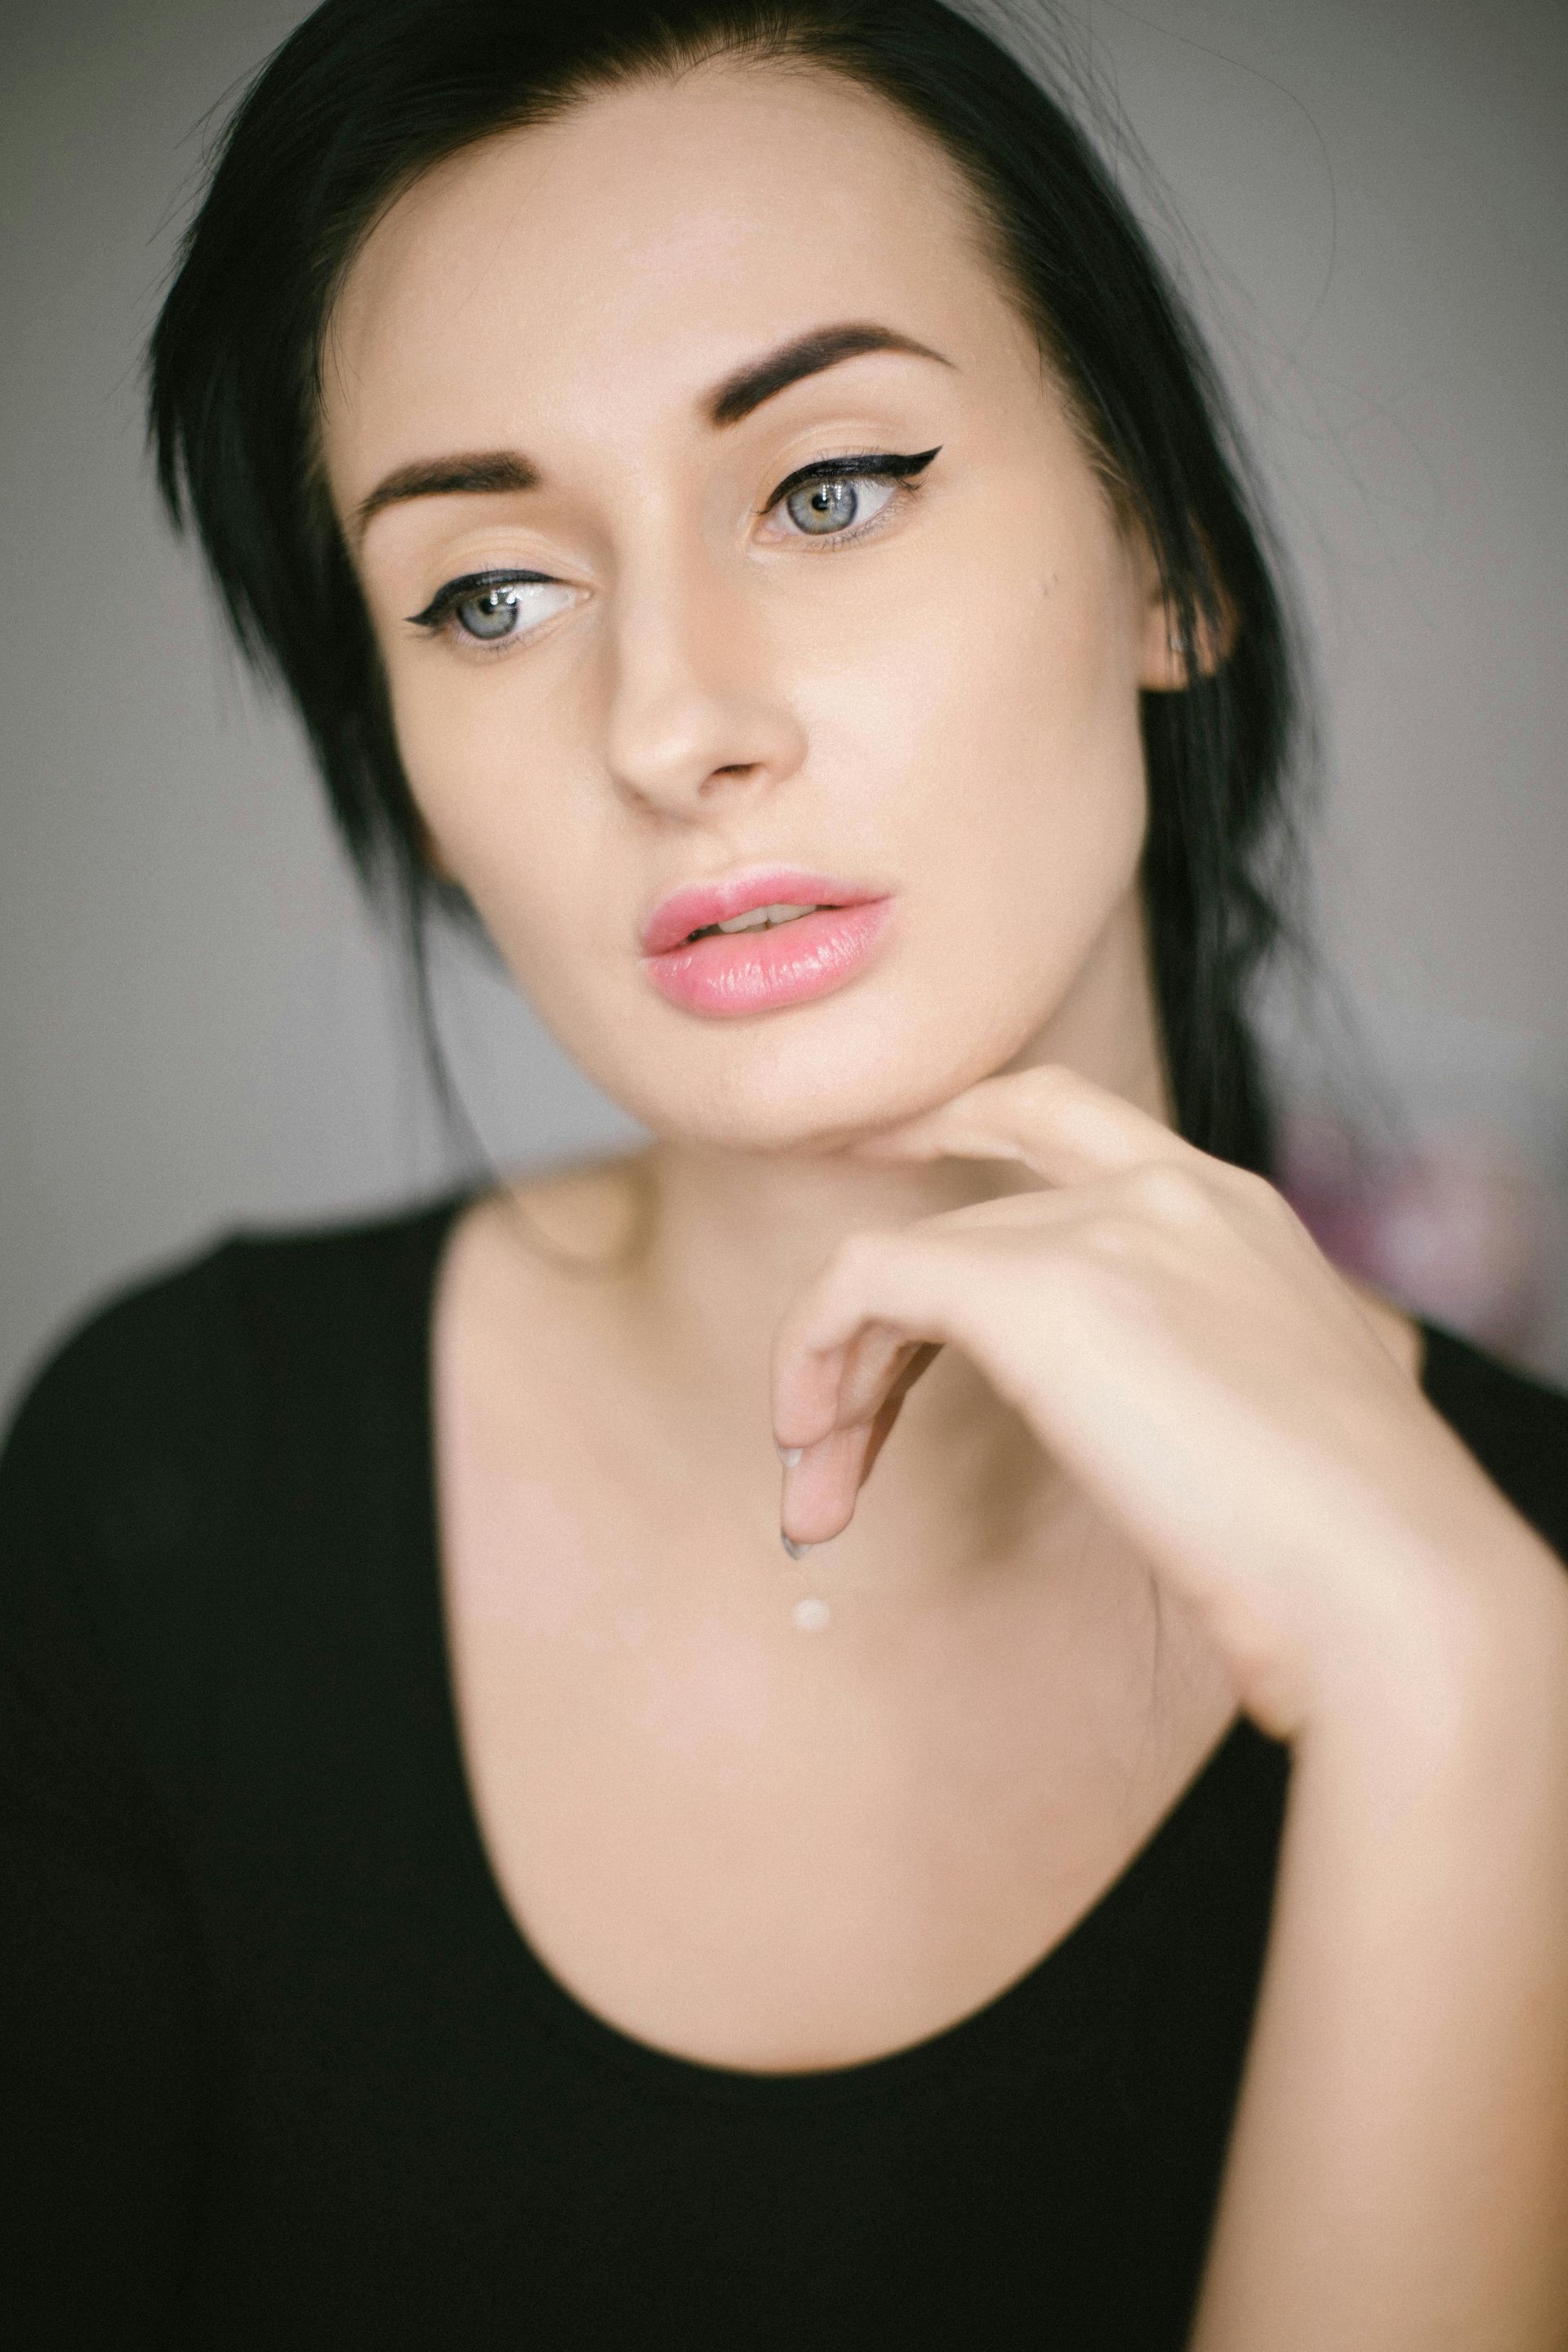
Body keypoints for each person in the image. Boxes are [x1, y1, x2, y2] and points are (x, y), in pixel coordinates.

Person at [3, 2, 1567, 2344]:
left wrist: (1470, 1701)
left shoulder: (1526, 1589)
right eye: (488, 595)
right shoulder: (182, 1474)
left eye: (831, 487)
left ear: (1168, 557)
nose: (667, 724)